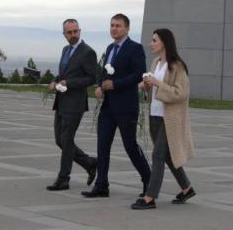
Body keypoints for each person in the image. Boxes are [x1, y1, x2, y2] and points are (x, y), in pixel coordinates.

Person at [82, 13, 151, 198]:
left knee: (130, 146)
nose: (114, 28)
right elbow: (105, 73)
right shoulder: (110, 48)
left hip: (126, 107)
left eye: (118, 25)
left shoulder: (135, 48)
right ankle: (101, 185)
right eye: (112, 25)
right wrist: (100, 87)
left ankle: (148, 179)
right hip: (108, 107)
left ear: (127, 28)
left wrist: (116, 84)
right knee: (102, 146)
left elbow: (139, 74)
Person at [131, 28, 195, 209]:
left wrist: (158, 83)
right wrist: (145, 86)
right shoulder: (155, 63)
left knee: (157, 155)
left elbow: (181, 94)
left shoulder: (177, 66)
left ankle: (150, 197)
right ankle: (187, 188)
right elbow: (154, 89)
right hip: (155, 116)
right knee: (167, 156)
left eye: (154, 40)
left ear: (164, 43)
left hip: (170, 119)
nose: (151, 43)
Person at [46, 19, 98, 191]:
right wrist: (54, 81)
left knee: (66, 141)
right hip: (61, 101)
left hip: (75, 103)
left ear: (80, 31)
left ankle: (63, 179)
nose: (73, 35)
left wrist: (69, 83)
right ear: (64, 34)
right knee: (59, 141)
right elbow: (62, 73)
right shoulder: (66, 49)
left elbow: (92, 78)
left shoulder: (88, 52)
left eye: (76, 31)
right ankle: (90, 163)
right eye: (69, 32)